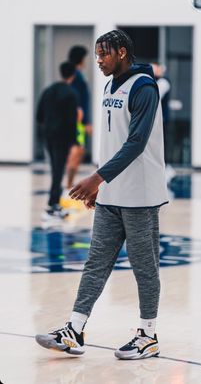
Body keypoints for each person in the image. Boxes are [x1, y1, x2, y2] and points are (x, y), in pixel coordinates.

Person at [35, 30, 168, 360]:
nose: (98, 60)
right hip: (113, 193)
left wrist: (96, 179)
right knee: (95, 263)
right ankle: (75, 330)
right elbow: (111, 141)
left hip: (141, 194)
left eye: (104, 54)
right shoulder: (109, 85)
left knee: (144, 267)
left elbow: (136, 142)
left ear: (122, 53)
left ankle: (148, 336)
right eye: (96, 54)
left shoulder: (143, 88)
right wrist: (103, 185)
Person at [36, 62, 78, 220]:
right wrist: (74, 141)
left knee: (55, 169)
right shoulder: (70, 94)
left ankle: (54, 203)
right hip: (62, 138)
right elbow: (71, 120)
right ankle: (53, 205)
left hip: (48, 136)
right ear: (72, 75)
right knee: (58, 171)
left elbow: (39, 116)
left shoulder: (48, 91)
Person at [65, 46, 92, 190]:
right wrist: (85, 121)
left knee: (78, 151)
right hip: (78, 121)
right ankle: (68, 186)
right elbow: (77, 101)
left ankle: (69, 184)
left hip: (79, 121)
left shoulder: (78, 75)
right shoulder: (76, 76)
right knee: (76, 151)